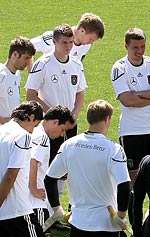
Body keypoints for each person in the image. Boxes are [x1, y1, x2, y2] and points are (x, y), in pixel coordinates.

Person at [44, 100, 130, 237]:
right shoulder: (113, 149)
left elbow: (50, 178)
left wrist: (57, 208)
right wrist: (121, 215)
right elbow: (125, 185)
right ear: (107, 119)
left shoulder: (69, 145)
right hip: (106, 227)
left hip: (79, 224)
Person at [11, 105, 74, 237]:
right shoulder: (42, 137)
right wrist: (32, 187)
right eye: (63, 129)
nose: (62, 134)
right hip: (35, 205)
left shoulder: (31, 133)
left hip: (23, 203)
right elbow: (34, 161)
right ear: (55, 121)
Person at [111, 27, 150, 223]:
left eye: (143, 46)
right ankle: (135, 224)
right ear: (126, 46)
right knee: (135, 182)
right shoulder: (119, 68)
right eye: (135, 47)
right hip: (131, 132)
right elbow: (127, 101)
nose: (140, 51)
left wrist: (140, 94)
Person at [0, 102, 52, 237]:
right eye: (35, 124)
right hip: (19, 212)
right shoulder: (22, 137)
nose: (34, 129)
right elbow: (11, 176)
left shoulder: (1, 131)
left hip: (3, 215)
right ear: (30, 117)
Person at [25, 24, 87, 164]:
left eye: (71, 42)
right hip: (49, 124)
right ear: (54, 41)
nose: (68, 46)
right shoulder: (42, 64)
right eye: (64, 42)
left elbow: (80, 93)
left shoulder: (77, 64)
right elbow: (30, 95)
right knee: (46, 165)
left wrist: (75, 114)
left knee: (66, 167)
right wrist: (52, 113)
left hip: (70, 123)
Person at [30, 13, 104, 62]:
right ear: (82, 31)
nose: (91, 42)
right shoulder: (55, 37)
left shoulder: (86, 45)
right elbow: (27, 46)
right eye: (91, 39)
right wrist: (33, 72)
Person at [0, 37, 35, 124]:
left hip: (11, 131)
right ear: (15, 54)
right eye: (26, 58)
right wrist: (6, 121)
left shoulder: (17, 74)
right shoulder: (1, 75)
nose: (28, 62)